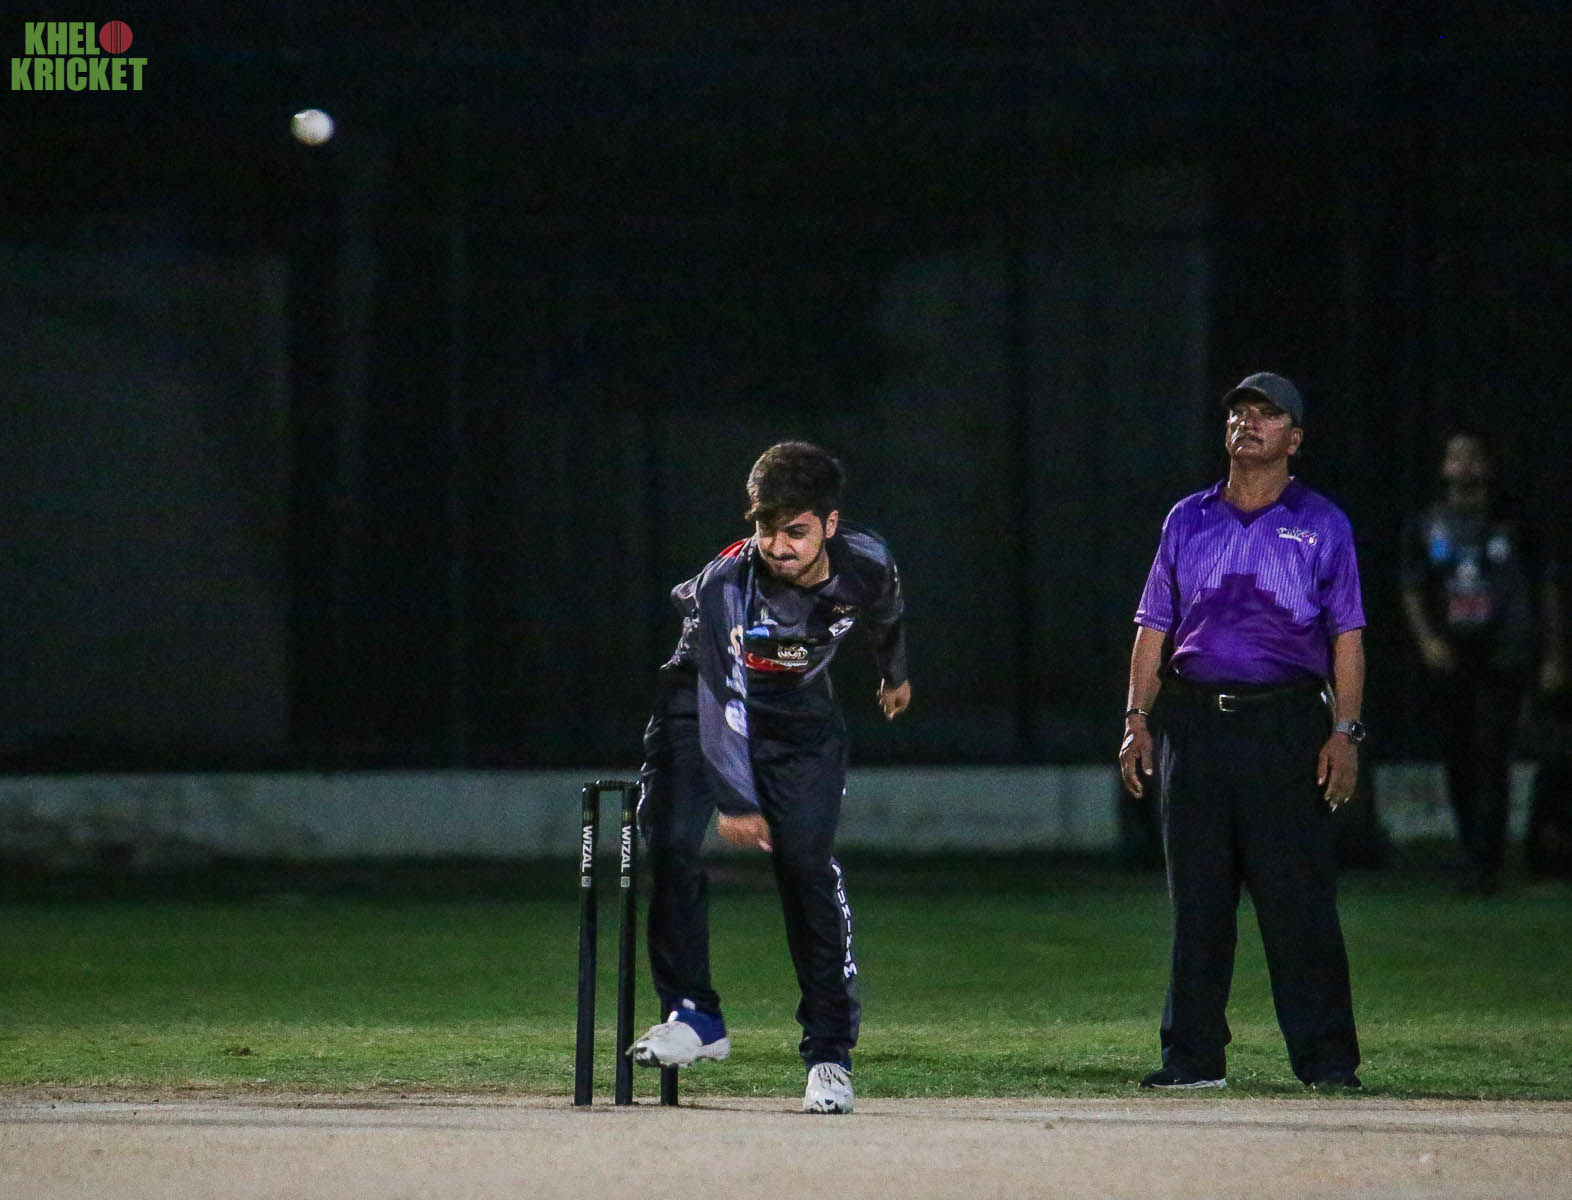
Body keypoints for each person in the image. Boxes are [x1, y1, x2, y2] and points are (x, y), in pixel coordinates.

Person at [628, 441, 911, 1114]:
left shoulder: (867, 561)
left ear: (830, 525)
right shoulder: (727, 584)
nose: (779, 547)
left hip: (800, 717)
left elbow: (886, 612)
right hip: (698, 700)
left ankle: (829, 1055)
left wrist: (893, 675)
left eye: (796, 531)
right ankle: (694, 1015)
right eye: (766, 528)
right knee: (669, 840)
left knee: (806, 866)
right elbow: (721, 695)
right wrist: (736, 797)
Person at [1118, 371, 1365, 1091]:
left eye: (1267, 414)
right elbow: (1154, 627)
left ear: (1295, 438)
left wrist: (1345, 731)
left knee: (1298, 902)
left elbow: (1347, 635)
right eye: (1238, 413)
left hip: (1285, 724)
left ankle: (1326, 1061)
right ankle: (1192, 1057)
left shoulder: (1322, 523)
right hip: (1194, 724)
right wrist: (1136, 720)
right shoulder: (1187, 519)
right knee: (1197, 901)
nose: (1247, 423)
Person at [1399, 428, 1565, 894]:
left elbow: (1545, 588)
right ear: (1443, 467)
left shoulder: (1514, 523)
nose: (1464, 464)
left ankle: (1485, 862)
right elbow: (1412, 587)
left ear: (1487, 466)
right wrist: (1428, 641)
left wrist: (1552, 654)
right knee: (1457, 754)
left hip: (1504, 653)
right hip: (1451, 653)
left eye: (1472, 456)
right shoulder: (1428, 523)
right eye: (1455, 456)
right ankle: (1470, 848)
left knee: (1491, 753)